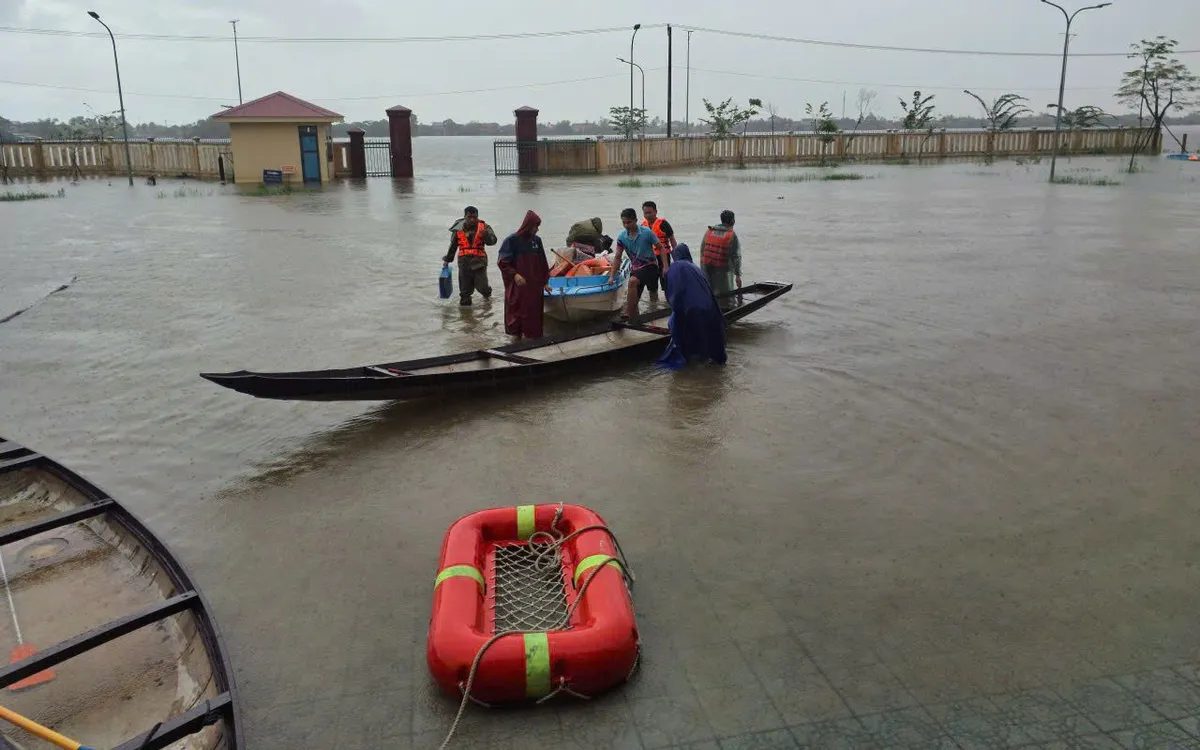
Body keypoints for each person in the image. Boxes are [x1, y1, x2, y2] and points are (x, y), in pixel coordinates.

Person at [656, 244, 727, 369]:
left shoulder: (674, 268)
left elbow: (673, 294)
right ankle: (709, 359)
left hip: (690, 309)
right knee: (706, 334)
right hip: (709, 308)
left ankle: (688, 357)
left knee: (675, 324)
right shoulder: (695, 268)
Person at [498, 210, 552, 340]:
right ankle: (515, 342)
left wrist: (545, 282)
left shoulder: (537, 241)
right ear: (528, 225)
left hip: (534, 288)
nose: (537, 229)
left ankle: (533, 342)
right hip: (518, 288)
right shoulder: (512, 240)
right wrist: (515, 275)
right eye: (535, 226)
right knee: (516, 315)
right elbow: (503, 262)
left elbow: (543, 263)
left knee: (533, 317)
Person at [608, 207, 663, 320]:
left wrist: (665, 267)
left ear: (636, 220)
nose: (626, 225)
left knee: (651, 292)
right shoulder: (622, 237)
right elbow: (617, 258)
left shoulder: (646, 232)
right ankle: (632, 313)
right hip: (636, 268)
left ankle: (652, 313)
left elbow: (661, 248)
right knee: (635, 285)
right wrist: (612, 276)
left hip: (650, 266)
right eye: (624, 222)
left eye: (629, 222)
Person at [443, 206, 498, 306]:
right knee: (465, 293)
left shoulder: (485, 227)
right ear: (465, 217)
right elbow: (453, 246)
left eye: (474, 217)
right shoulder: (458, 228)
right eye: (469, 217)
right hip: (464, 263)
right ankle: (466, 318)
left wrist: (485, 235)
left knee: (483, 288)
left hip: (479, 262)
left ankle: (487, 301)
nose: (472, 219)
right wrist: (447, 260)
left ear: (477, 217)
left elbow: (493, 241)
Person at [699, 209, 743, 297]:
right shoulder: (731, 235)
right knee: (725, 297)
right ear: (732, 221)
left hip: (706, 268)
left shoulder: (709, 231)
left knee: (709, 294)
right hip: (722, 271)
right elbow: (736, 257)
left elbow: (702, 250)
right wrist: (738, 275)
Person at [640, 201, 677, 300]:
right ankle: (653, 307)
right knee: (652, 286)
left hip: (663, 257)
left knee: (666, 284)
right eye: (645, 213)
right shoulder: (642, 226)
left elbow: (672, 240)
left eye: (650, 212)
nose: (647, 215)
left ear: (656, 211)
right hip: (649, 260)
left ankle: (668, 304)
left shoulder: (663, 224)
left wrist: (677, 257)